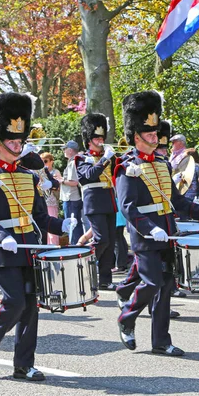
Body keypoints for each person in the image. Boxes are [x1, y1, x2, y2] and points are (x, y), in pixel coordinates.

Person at [0, 92, 75, 381]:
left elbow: (39, 218)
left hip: (30, 248)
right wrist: (1, 235)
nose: (18, 146)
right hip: (3, 251)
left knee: (31, 307)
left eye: (20, 141)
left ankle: (23, 364)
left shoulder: (29, 176)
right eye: (12, 142)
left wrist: (61, 226)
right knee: (14, 302)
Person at [115, 90, 199, 356]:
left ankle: (161, 341)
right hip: (145, 235)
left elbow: (175, 199)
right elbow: (128, 207)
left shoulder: (160, 162)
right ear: (136, 136)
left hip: (168, 231)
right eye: (149, 134)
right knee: (152, 282)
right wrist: (150, 229)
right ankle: (127, 317)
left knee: (166, 287)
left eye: (155, 133)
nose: (154, 138)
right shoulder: (126, 165)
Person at [75, 114, 118, 291]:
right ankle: (82, 262)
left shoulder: (108, 156)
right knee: (101, 240)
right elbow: (90, 175)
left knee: (110, 242)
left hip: (109, 199)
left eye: (101, 137)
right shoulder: (81, 158)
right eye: (96, 138)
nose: (100, 141)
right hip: (94, 201)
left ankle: (105, 280)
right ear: (89, 140)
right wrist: (104, 159)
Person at [60, 140, 84, 245]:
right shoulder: (75, 161)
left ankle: (76, 247)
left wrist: (61, 181)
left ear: (70, 150)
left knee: (72, 226)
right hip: (73, 198)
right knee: (76, 225)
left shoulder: (72, 162)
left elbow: (74, 182)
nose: (64, 151)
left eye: (65, 149)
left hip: (71, 198)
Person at [40, 152, 63, 245]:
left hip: (51, 201)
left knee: (52, 227)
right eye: (42, 161)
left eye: (45, 161)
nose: (44, 163)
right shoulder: (41, 171)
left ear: (51, 161)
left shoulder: (55, 172)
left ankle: (54, 247)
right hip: (43, 201)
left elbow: (57, 185)